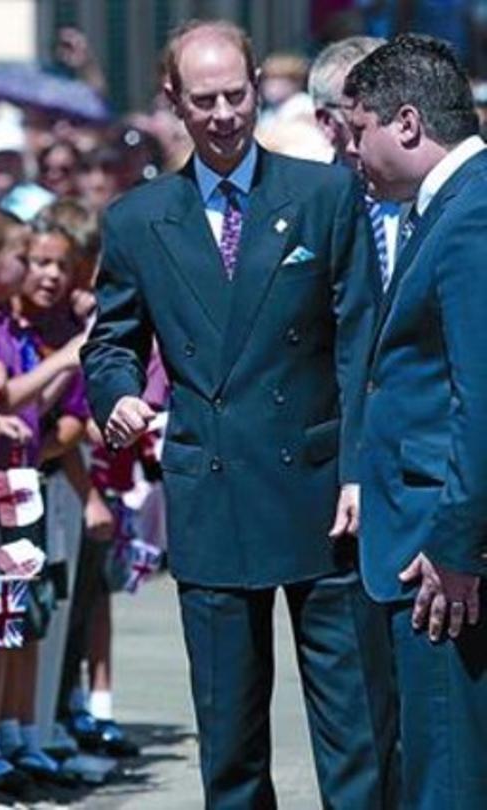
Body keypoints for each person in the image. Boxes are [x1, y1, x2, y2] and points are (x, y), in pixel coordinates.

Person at [81, 19, 397, 808]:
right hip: (211, 492)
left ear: (256, 87)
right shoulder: (138, 218)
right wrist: (119, 393)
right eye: (205, 100)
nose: (224, 115)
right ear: (173, 104)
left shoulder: (325, 194)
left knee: (353, 732)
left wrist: (359, 471)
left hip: (323, 493)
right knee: (230, 744)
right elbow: (110, 340)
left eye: (236, 95)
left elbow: (363, 345)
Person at [343, 33, 487, 809]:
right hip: (428, 542)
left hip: (443, 563)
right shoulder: (453, 207)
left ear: (404, 123)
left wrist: (458, 542)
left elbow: (482, 394)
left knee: (450, 779)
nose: (350, 149)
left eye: (356, 127)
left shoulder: (472, 214)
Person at [308, 36, 402, 290]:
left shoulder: (433, 199)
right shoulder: (307, 212)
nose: (391, 126)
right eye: (367, 112)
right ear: (327, 122)